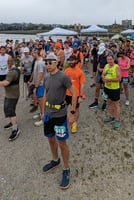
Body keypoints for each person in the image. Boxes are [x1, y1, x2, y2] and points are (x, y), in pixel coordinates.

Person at [41, 53, 77, 190]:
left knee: (62, 142)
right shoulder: (46, 77)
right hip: (48, 115)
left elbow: (74, 93)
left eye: (50, 62)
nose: (48, 65)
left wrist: (72, 113)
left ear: (56, 63)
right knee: (50, 139)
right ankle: (55, 160)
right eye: (46, 63)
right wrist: (43, 112)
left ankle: (66, 169)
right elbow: (45, 95)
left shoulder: (63, 77)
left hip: (60, 115)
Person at [0, 58, 21, 141]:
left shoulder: (12, 72)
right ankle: (12, 123)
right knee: (7, 108)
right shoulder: (16, 69)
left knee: (10, 110)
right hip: (11, 94)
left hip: (12, 94)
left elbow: (6, 83)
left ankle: (15, 129)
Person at [64, 55, 86, 133]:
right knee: (64, 109)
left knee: (76, 110)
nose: (71, 62)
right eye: (70, 60)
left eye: (72, 60)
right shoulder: (66, 71)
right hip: (66, 94)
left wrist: (81, 96)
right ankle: (65, 122)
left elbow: (82, 84)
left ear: (76, 61)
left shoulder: (80, 71)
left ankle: (74, 124)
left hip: (75, 95)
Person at [102, 55, 121, 130]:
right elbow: (103, 75)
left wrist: (110, 80)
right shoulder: (106, 66)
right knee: (109, 102)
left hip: (115, 88)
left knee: (116, 104)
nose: (109, 61)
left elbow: (119, 78)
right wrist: (104, 79)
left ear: (113, 59)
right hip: (107, 88)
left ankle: (117, 119)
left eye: (111, 59)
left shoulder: (117, 67)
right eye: (108, 59)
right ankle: (111, 116)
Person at [88, 45, 108, 110]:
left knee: (106, 89)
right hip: (99, 73)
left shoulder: (109, 56)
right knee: (97, 87)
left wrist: (103, 70)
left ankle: (105, 102)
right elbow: (99, 63)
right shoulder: (100, 55)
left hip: (106, 74)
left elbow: (110, 65)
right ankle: (96, 101)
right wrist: (98, 68)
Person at [31, 48, 47, 127]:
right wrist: (31, 80)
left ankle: (43, 117)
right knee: (39, 99)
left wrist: (36, 86)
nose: (31, 54)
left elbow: (40, 75)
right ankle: (41, 113)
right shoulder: (37, 61)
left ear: (36, 53)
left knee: (41, 100)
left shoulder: (40, 62)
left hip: (41, 84)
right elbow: (35, 72)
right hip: (38, 83)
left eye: (33, 52)